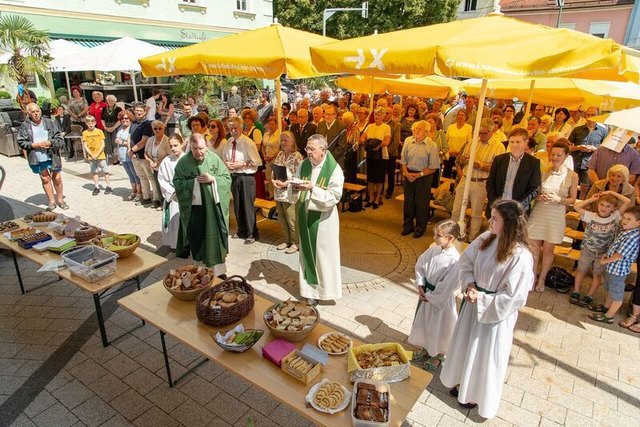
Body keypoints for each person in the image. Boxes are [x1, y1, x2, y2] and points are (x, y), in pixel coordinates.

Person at [440, 200, 535, 419]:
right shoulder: (485, 238)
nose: (489, 221)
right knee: (466, 346)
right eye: (490, 216)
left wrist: (481, 298)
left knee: (483, 354)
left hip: (493, 315)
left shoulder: (520, 256)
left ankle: (475, 394)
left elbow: (515, 297)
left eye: (495, 218)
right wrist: (470, 284)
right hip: (473, 305)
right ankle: (462, 381)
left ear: (509, 223)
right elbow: (466, 262)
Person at [294, 134, 344, 304]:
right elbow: (297, 182)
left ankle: (324, 292)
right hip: (305, 215)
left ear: (323, 150)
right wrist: (288, 185)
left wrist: (313, 188)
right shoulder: (304, 164)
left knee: (323, 257)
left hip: (323, 220)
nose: (308, 152)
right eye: (307, 148)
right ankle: (309, 292)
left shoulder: (334, 169)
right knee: (307, 254)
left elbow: (334, 196)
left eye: (312, 149)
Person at [173, 133, 231, 277]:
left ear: (206, 146)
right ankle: (201, 271)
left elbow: (226, 178)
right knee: (198, 240)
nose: (199, 152)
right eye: (195, 149)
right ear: (190, 147)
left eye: (201, 148)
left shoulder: (214, 158)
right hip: (195, 210)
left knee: (214, 239)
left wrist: (213, 179)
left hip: (212, 209)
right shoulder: (183, 162)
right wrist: (193, 183)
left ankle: (218, 271)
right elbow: (177, 183)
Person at [408, 219, 461, 371]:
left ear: (450, 238)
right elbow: (421, 264)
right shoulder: (433, 249)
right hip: (427, 293)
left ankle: (438, 354)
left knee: (438, 328)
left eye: (438, 235)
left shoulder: (455, 260)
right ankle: (426, 347)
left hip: (440, 300)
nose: (434, 238)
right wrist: (420, 283)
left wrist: (430, 296)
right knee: (426, 323)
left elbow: (449, 284)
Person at [527, 141, 579, 292]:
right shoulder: (544, 171)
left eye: (559, 155)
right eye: (553, 154)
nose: (555, 157)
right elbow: (533, 193)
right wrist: (538, 198)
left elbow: (573, 199)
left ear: (566, 156)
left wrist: (559, 200)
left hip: (556, 215)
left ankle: (542, 278)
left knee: (548, 250)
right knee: (534, 248)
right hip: (539, 212)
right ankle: (532, 277)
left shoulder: (572, 175)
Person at [570, 191, 631, 307]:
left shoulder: (615, 217)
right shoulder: (591, 216)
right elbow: (576, 206)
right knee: (581, 270)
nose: (604, 208)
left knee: (597, 274)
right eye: (602, 204)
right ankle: (576, 291)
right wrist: (593, 199)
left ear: (613, 208)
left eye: (608, 206)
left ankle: (590, 295)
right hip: (588, 250)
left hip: (603, 253)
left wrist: (610, 192)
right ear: (598, 205)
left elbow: (627, 201)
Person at [451, 118, 506, 241]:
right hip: (465, 179)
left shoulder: (498, 146)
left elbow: (497, 169)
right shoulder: (472, 142)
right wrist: (464, 161)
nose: (481, 135)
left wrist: (480, 165)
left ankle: (472, 239)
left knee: (476, 213)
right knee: (456, 210)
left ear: (492, 131)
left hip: (480, 182)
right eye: (479, 132)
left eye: (484, 133)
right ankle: (455, 236)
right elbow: (461, 159)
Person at [589, 206, 640, 323]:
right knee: (611, 290)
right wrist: (607, 254)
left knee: (617, 294)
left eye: (629, 219)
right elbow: (615, 247)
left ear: (638, 223)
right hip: (612, 268)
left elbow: (619, 255)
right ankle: (606, 307)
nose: (624, 221)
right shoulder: (625, 231)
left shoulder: (632, 237)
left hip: (618, 271)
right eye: (624, 218)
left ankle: (609, 316)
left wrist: (604, 261)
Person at [17, 103, 67, 211]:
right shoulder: (25, 126)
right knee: (45, 178)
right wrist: (34, 145)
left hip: (52, 154)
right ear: (28, 113)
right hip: (37, 156)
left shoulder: (49, 122)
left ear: (40, 111)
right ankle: (51, 201)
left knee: (57, 177)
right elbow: (21, 141)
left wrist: (50, 142)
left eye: (37, 111)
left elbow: (60, 138)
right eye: (33, 112)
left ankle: (60, 199)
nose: (36, 114)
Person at [220, 116, 262, 244]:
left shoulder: (247, 142)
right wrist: (228, 163)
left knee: (248, 205)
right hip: (234, 176)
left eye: (235, 128)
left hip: (246, 177)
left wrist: (242, 164)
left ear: (241, 128)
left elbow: (257, 161)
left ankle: (252, 233)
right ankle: (242, 230)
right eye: (230, 128)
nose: (233, 131)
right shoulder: (228, 142)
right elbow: (224, 157)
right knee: (237, 205)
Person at [486, 127, 542, 219]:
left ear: (526, 142)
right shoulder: (499, 160)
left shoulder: (533, 163)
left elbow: (534, 189)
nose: (514, 145)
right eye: (512, 142)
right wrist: (494, 203)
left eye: (518, 142)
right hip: (498, 208)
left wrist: (518, 206)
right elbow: (490, 183)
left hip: (518, 211)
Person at [400, 120, 440, 238]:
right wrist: (406, 173)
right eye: (415, 129)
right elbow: (403, 160)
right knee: (408, 202)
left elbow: (433, 167)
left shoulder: (432, 145)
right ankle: (408, 226)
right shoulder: (408, 141)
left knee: (422, 204)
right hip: (409, 174)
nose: (416, 131)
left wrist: (418, 175)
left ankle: (420, 228)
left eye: (419, 129)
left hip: (424, 177)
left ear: (426, 132)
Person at [272, 131, 304, 254]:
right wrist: (273, 180)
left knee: (292, 219)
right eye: (282, 140)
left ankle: (296, 243)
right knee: (282, 218)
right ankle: (287, 240)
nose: (283, 143)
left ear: (292, 142)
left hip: (290, 192)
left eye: (286, 140)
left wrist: (287, 183)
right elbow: (274, 170)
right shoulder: (280, 154)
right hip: (279, 191)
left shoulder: (297, 156)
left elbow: (299, 176)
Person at [158, 134, 186, 250]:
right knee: (174, 221)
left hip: (186, 195)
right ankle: (175, 244)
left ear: (182, 144)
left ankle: (186, 245)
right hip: (174, 196)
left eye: (176, 145)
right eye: (171, 146)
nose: (173, 148)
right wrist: (171, 190)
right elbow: (162, 178)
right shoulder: (167, 161)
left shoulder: (188, 159)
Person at [568, 106, 608, 185]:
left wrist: (594, 149)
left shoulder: (603, 131)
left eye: (593, 115)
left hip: (590, 165)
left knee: (585, 187)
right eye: (588, 115)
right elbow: (567, 147)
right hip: (575, 162)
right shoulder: (577, 129)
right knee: (570, 184)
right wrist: (578, 147)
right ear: (585, 116)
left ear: (598, 116)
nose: (590, 117)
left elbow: (606, 150)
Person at [361, 107, 391, 208]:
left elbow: (387, 141)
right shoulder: (370, 126)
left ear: (383, 116)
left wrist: (376, 146)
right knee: (370, 178)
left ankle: (378, 198)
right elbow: (362, 137)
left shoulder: (386, 127)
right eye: (375, 114)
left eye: (379, 114)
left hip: (381, 155)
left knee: (379, 179)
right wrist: (367, 144)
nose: (377, 116)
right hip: (370, 155)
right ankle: (371, 197)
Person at [128, 102, 155, 207]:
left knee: (150, 177)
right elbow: (129, 137)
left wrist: (132, 150)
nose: (138, 112)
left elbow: (144, 140)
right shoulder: (133, 123)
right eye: (137, 110)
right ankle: (146, 196)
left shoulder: (148, 124)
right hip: (134, 155)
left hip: (144, 156)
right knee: (141, 177)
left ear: (145, 112)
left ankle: (156, 198)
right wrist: (129, 149)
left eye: (141, 111)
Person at [114, 110, 141, 202]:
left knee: (135, 174)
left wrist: (122, 142)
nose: (124, 120)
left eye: (126, 118)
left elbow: (134, 142)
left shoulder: (132, 128)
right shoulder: (120, 128)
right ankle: (133, 191)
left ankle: (139, 193)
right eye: (122, 118)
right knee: (130, 175)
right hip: (122, 155)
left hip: (130, 154)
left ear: (130, 118)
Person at [82, 115, 112, 196]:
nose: (90, 124)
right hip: (91, 155)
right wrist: (91, 154)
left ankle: (108, 186)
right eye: (88, 123)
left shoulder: (99, 131)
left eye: (92, 122)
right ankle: (96, 186)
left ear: (95, 123)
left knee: (105, 170)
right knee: (94, 171)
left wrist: (98, 153)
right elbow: (85, 145)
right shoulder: (85, 133)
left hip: (100, 154)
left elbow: (103, 144)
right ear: (86, 123)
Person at [144, 121, 171, 210]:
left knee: (164, 185)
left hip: (164, 166)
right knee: (157, 185)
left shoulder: (167, 140)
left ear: (164, 129)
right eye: (155, 128)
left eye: (160, 128)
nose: (158, 130)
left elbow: (168, 155)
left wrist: (158, 162)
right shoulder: (150, 139)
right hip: (154, 167)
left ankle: (166, 204)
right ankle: (161, 202)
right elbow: (146, 153)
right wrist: (150, 161)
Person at [317, 104, 347, 169]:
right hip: (321, 161)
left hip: (335, 161)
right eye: (326, 114)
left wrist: (327, 157)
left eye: (330, 114)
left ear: (335, 115)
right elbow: (317, 141)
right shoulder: (320, 125)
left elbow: (342, 147)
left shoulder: (341, 127)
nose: (327, 116)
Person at [445, 109, 472, 179]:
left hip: (460, 156)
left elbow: (469, 142)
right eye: (459, 115)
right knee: (446, 175)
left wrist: (460, 153)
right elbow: (445, 140)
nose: (460, 116)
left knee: (456, 177)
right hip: (450, 155)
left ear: (466, 117)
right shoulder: (451, 127)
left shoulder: (469, 127)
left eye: (462, 115)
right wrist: (449, 152)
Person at [383, 107, 401, 199]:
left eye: (386, 113)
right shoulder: (381, 124)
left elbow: (396, 140)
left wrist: (388, 151)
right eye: (384, 113)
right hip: (381, 152)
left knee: (390, 173)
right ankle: (380, 189)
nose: (384, 115)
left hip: (391, 153)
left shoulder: (396, 125)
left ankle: (390, 190)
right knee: (381, 172)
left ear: (391, 114)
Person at [262, 116, 281, 199]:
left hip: (276, 159)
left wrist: (273, 156)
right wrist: (264, 155)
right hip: (267, 159)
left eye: (272, 124)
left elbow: (281, 148)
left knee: (276, 177)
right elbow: (262, 146)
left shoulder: (279, 134)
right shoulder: (266, 134)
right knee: (269, 178)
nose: (271, 126)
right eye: (269, 124)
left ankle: (278, 195)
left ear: (276, 124)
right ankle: (271, 194)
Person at [100, 94, 122, 164]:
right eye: (109, 101)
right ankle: (110, 156)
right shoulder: (104, 108)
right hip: (106, 126)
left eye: (112, 101)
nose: (110, 102)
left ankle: (116, 158)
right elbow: (102, 119)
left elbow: (120, 120)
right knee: (107, 142)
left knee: (114, 142)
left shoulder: (118, 109)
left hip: (115, 126)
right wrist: (105, 127)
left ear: (115, 101)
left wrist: (113, 127)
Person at [341, 111, 360, 183]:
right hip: (343, 151)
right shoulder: (343, 128)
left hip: (351, 153)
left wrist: (347, 145)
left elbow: (356, 144)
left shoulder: (355, 129)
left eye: (347, 122)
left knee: (350, 172)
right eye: (344, 121)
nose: (345, 123)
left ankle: (351, 188)